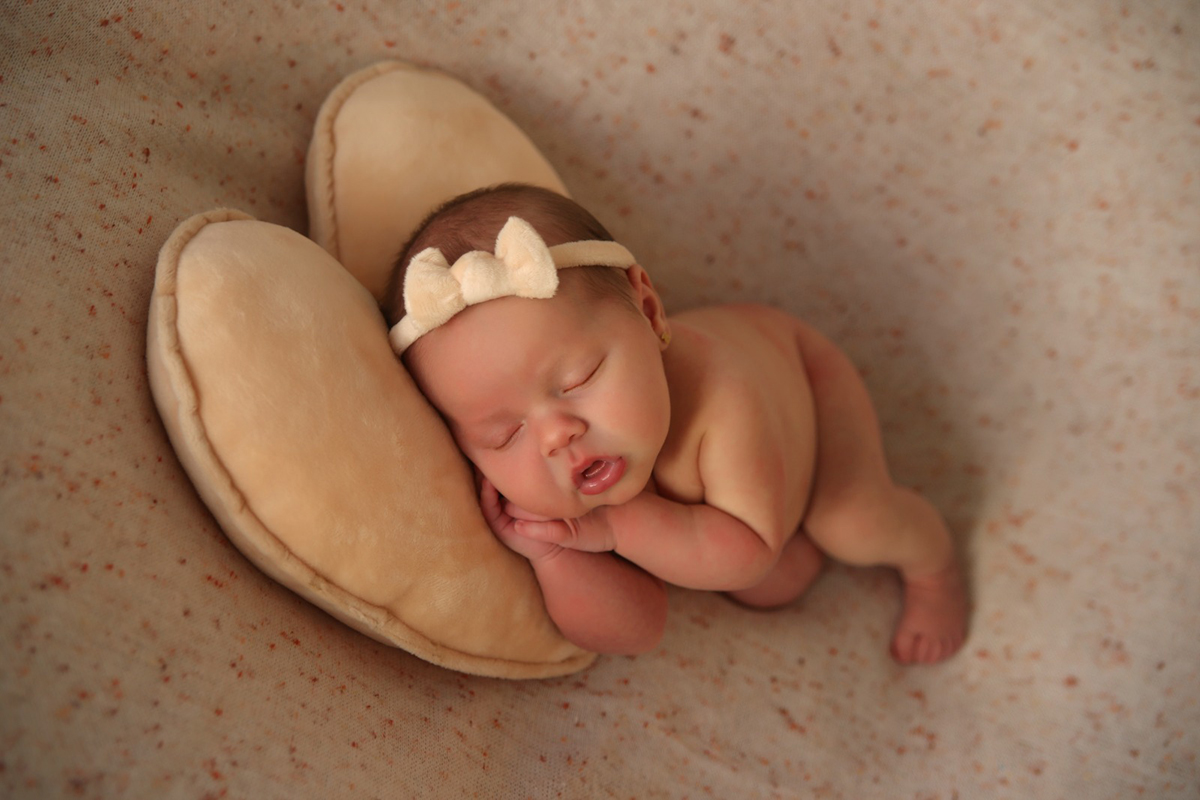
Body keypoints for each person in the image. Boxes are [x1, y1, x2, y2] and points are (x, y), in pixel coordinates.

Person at [383, 183, 967, 664]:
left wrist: (616, 531)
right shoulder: (555, 471)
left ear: (649, 310)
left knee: (848, 523)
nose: (555, 435)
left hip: (805, 379)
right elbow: (635, 631)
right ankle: (799, 528)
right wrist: (555, 555)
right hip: (747, 509)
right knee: (775, 589)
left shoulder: (723, 399)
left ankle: (933, 562)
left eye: (579, 379)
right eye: (502, 433)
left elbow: (749, 551)